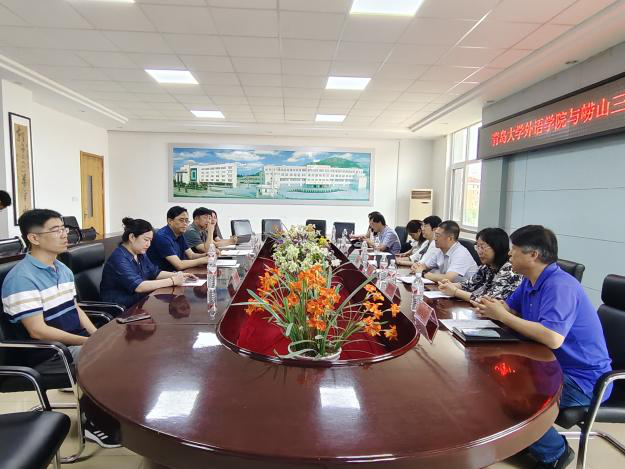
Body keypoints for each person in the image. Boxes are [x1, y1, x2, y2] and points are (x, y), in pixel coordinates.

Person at [473, 225, 612, 468]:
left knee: (512, 393)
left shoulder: (560, 286)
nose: (509, 254)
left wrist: (503, 316)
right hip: (548, 364)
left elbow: (553, 338)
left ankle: (556, 452)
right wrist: (494, 308)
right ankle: (525, 440)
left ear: (533, 255)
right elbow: (511, 309)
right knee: (492, 376)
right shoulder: (530, 281)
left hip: (584, 380)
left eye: (514, 250)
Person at [1, 209, 120, 448]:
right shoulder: (21, 279)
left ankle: (111, 412)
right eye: (56, 230)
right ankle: (92, 422)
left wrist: (96, 335)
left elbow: (75, 308)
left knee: (121, 346)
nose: (65, 235)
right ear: (33, 238)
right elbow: (38, 331)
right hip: (47, 353)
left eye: (64, 229)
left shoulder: (62, 268)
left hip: (72, 343)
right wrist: (88, 342)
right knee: (111, 358)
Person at [100, 218, 196, 309]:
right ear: (132, 237)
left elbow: (154, 272)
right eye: (146, 240)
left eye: (150, 241)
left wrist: (178, 275)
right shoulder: (119, 258)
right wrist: (173, 281)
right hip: (121, 310)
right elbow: (139, 286)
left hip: (138, 304)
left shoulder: (140, 253)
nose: (148, 244)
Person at [438, 227, 522, 301]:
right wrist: (450, 285)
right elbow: (469, 284)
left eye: (482, 247)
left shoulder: (509, 270)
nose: (479, 252)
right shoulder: (486, 267)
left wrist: (455, 292)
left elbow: (489, 301)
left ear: (497, 247)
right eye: (477, 247)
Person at [411, 220, 477, 282]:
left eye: (437, 236)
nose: (434, 238)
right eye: (435, 235)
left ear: (450, 238)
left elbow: (448, 278)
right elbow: (425, 266)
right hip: (447, 287)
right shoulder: (439, 249)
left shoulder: (461, 253)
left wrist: (423, 273)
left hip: (464, 289)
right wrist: (417, 267)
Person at [146, 206, 208, 271]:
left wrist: (205, 255)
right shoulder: (162, 237)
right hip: (162, 274)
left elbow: (191, 255)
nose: (185, 224)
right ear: (170, 221)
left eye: (186, 221)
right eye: (181, 220)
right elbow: (179, 265)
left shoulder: (179, 234)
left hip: (177, 273)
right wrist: (203, 260)